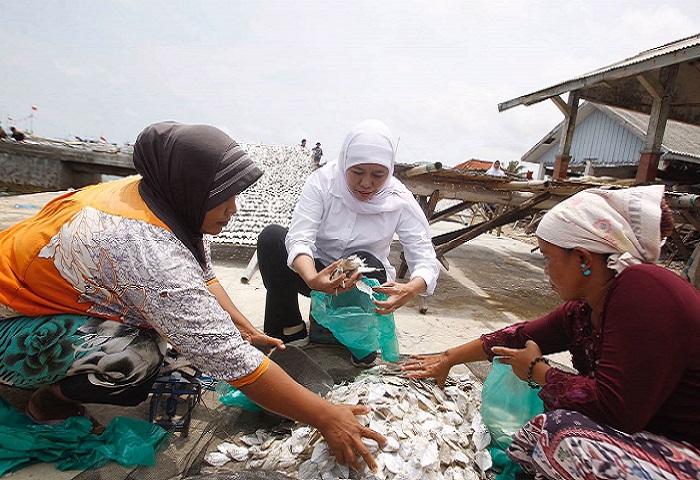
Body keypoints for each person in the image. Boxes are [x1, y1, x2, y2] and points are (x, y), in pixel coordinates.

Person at [0, 121, 385, 471]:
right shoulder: (146, 247)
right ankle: (50, 401)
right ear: (194, 189)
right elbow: (229, 359)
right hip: (10, 320)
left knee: (180, 338)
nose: (233, 210)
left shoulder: (164, 199)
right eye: (224, 198)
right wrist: (326, 416)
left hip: (43, 302)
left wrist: (245, 329)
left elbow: (205, 279)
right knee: (137, 356)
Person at [404, 184, 700, 479]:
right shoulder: (585, 309)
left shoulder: (643, 288)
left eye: (548, 258)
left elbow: (617, 409)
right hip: (649, 440)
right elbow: (517, 336)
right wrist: (448, 358)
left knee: (558, 434)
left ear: (583, 259)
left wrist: (537, 370)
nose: (545, 270)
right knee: (536, 435)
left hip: (686, 451)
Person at [257, 119, 440, 366]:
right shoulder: (323, 182)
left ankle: (357, 338)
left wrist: (411, 289)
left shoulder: (399, 199)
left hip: (361, 281)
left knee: (367, 260)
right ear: (345, 163)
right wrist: (312, 278)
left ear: (390, 169)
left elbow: (424, 257)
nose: (366, 183)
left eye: (378, 174)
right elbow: (300, 236)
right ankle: (290, 327)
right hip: (317, 273)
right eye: (357, 172)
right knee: (272, 239)